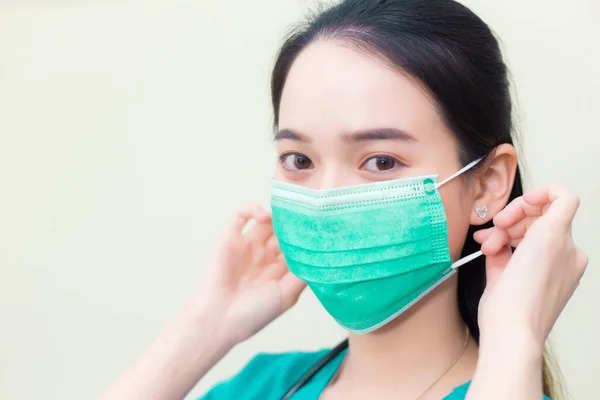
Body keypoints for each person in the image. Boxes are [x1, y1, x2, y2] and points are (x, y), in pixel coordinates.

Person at [101, 0, 588, 399]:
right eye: (299, 160)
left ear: (486, 184)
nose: (326, 199)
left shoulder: (508, 386)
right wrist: (203, 329)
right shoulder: (261, 387)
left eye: (379, 161)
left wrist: (514, 342)